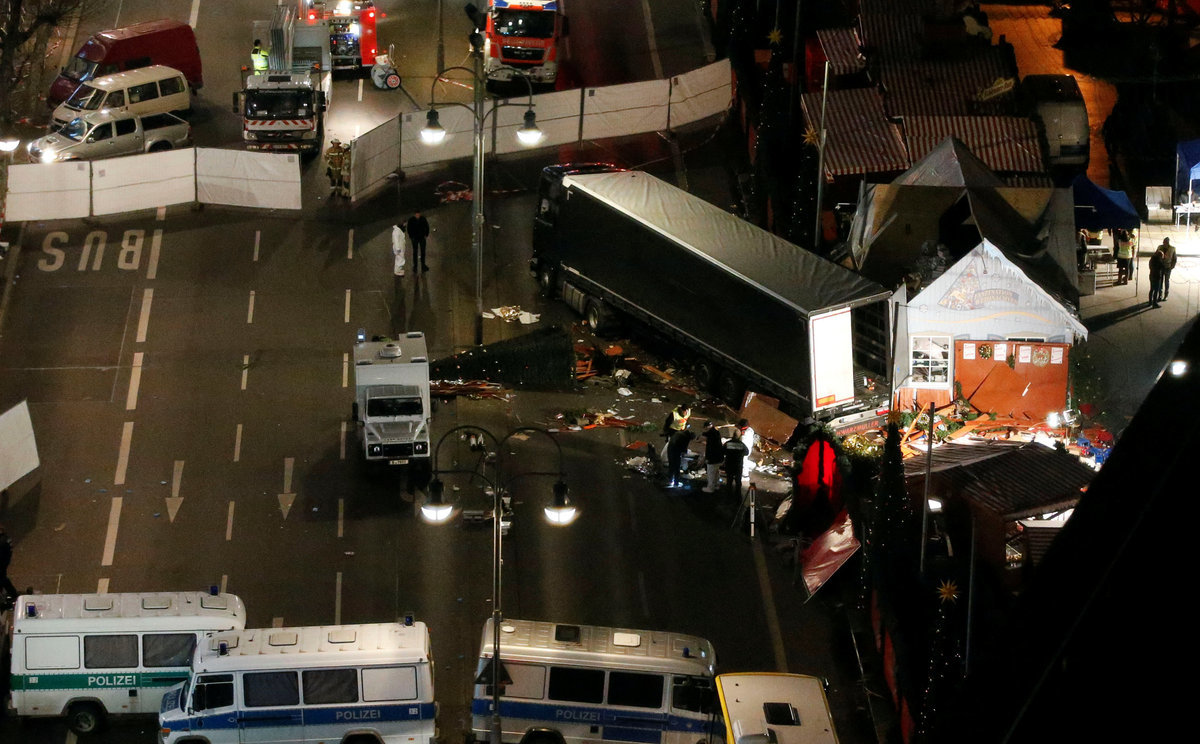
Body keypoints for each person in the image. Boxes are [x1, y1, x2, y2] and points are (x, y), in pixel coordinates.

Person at [721, 428, 749, 504]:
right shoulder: (741, 444)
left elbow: (723, 451)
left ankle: (728, 497)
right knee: (738, 482)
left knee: (729, 481)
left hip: (729, 465)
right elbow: (746, 453)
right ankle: (738, 497)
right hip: (738, 466)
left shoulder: (728, 443)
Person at [701, 421, 724, 493]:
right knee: (716, 472)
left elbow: (710, 449)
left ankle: (710, 488)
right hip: (719, 457)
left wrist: (707, 458)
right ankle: (717, 484)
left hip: (713, 458)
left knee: (711, 473)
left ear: (706, 427)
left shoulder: (711, 435)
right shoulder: (716, 432)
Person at [1, 523, 17, 606]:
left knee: (2, 579)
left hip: (2, 562)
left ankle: (13, 594)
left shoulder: (2, 541)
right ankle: (13, 594)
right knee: (3, 578)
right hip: (5, 561)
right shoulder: (5, 538)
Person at [1149, 243, 1167, 307]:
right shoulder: (1159, 262)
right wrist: (1163, 260)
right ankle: (1154, 303)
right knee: (1156, 290)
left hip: (1151, 275)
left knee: (1151, 289)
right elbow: (1163, 267)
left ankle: (1150, 302)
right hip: (1156, 276)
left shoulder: (1152, 259)